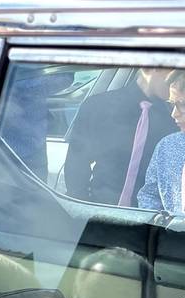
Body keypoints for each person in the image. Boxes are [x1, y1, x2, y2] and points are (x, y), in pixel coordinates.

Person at [64, 68, 177, 205]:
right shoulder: (98, 106)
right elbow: (76, 167)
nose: (178, 79)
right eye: (177, 71)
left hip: (151, 220)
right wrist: (84, 211)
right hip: (99, 212)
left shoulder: (176, 120)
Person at [137, 71, 185, 212]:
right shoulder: (167, 146)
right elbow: (149, 195)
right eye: (171, 104)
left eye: (182, 105)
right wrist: (157, 229)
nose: (174, 113)